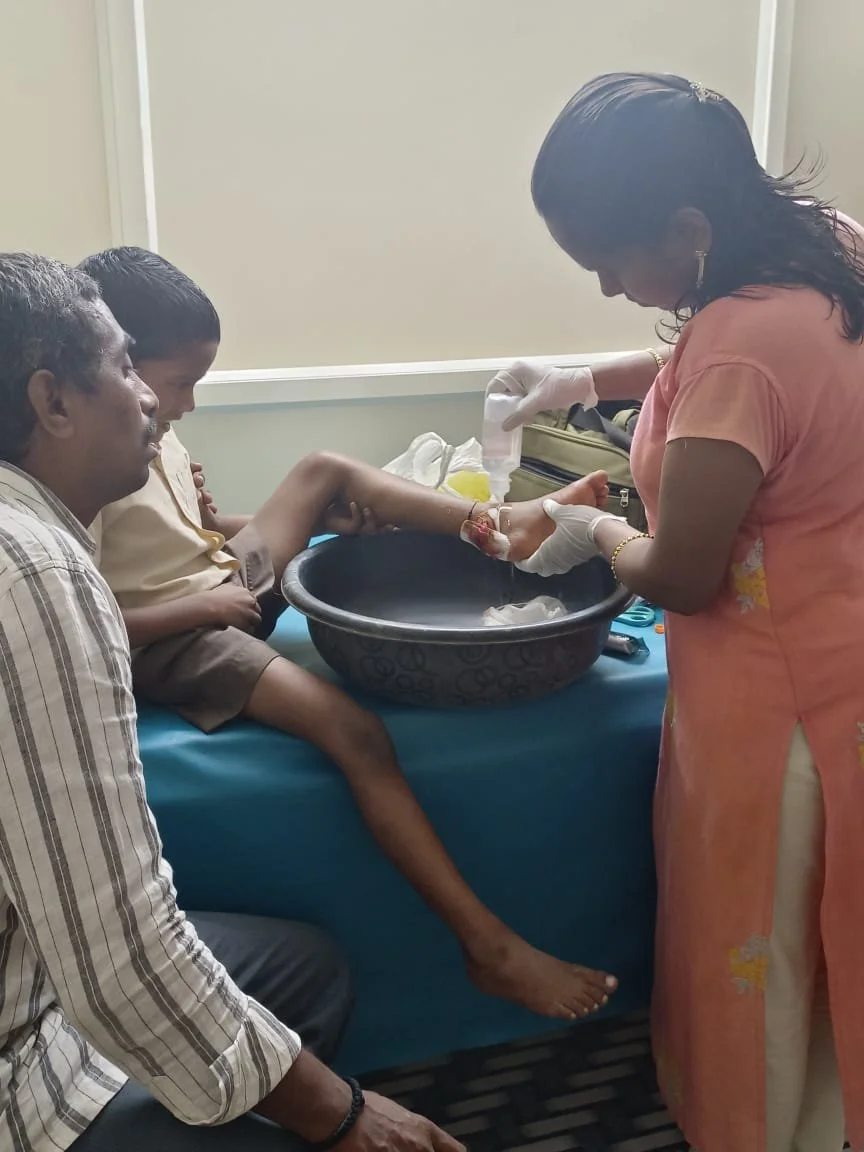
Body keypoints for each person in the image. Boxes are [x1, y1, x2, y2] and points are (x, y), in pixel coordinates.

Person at [0, 252, 475, 1152]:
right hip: (24, 1037)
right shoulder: (32, 572)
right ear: (51, 403)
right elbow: (116, 960)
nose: (148, 398)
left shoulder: (54, 518)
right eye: (124, 370)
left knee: (307, 972)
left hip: (41, 965)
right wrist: (342, 1116)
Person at [77, 246, 618, 1024]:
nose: (188, 405)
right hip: (179, 635)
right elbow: (82, 620)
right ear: (116, 371)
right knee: (353, 732)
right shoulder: (80, 471)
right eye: (178, 385)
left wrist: (310, 529)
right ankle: (487, 946)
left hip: (223, 583)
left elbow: (186, 533)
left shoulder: (151, 432)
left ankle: (499, 526)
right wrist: (197, 613)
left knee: (325, 472)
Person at [489, 72, 864, 1152]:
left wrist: (592, 529)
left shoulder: (744, 345)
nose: (608, 288)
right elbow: (721, 376)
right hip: (841, 658)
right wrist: (577, 383)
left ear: (692, 231)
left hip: (771, 703)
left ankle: (764, 1127)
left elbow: (683, 576)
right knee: (831, 931)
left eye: (611, 261)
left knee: (762, 937)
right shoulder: (823, 247)